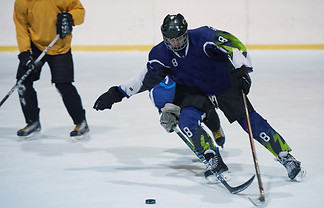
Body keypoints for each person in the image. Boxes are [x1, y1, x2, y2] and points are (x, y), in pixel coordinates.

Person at [93, 14, 305, 181]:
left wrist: (243, 71)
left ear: (185, 33)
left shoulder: (204, 36)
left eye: (179, 38)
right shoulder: (160, 54)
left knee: (251, 122)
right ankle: (213, 158)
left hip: (224, 83)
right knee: (186, 122)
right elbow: (145, 79)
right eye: (171, 39)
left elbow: (235, 44)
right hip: (196, 92)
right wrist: (117, 93)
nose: (175, 43)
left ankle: (286, 157)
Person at [13, 0, 89, 139]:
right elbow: (21, 26)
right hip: (34, 47)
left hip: (59, 46)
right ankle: (32, 121)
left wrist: (70, 18)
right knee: (23, 83)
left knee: (63, 85)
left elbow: (80, 12)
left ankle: (80, 122)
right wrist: (25, 53)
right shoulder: (22, 1)